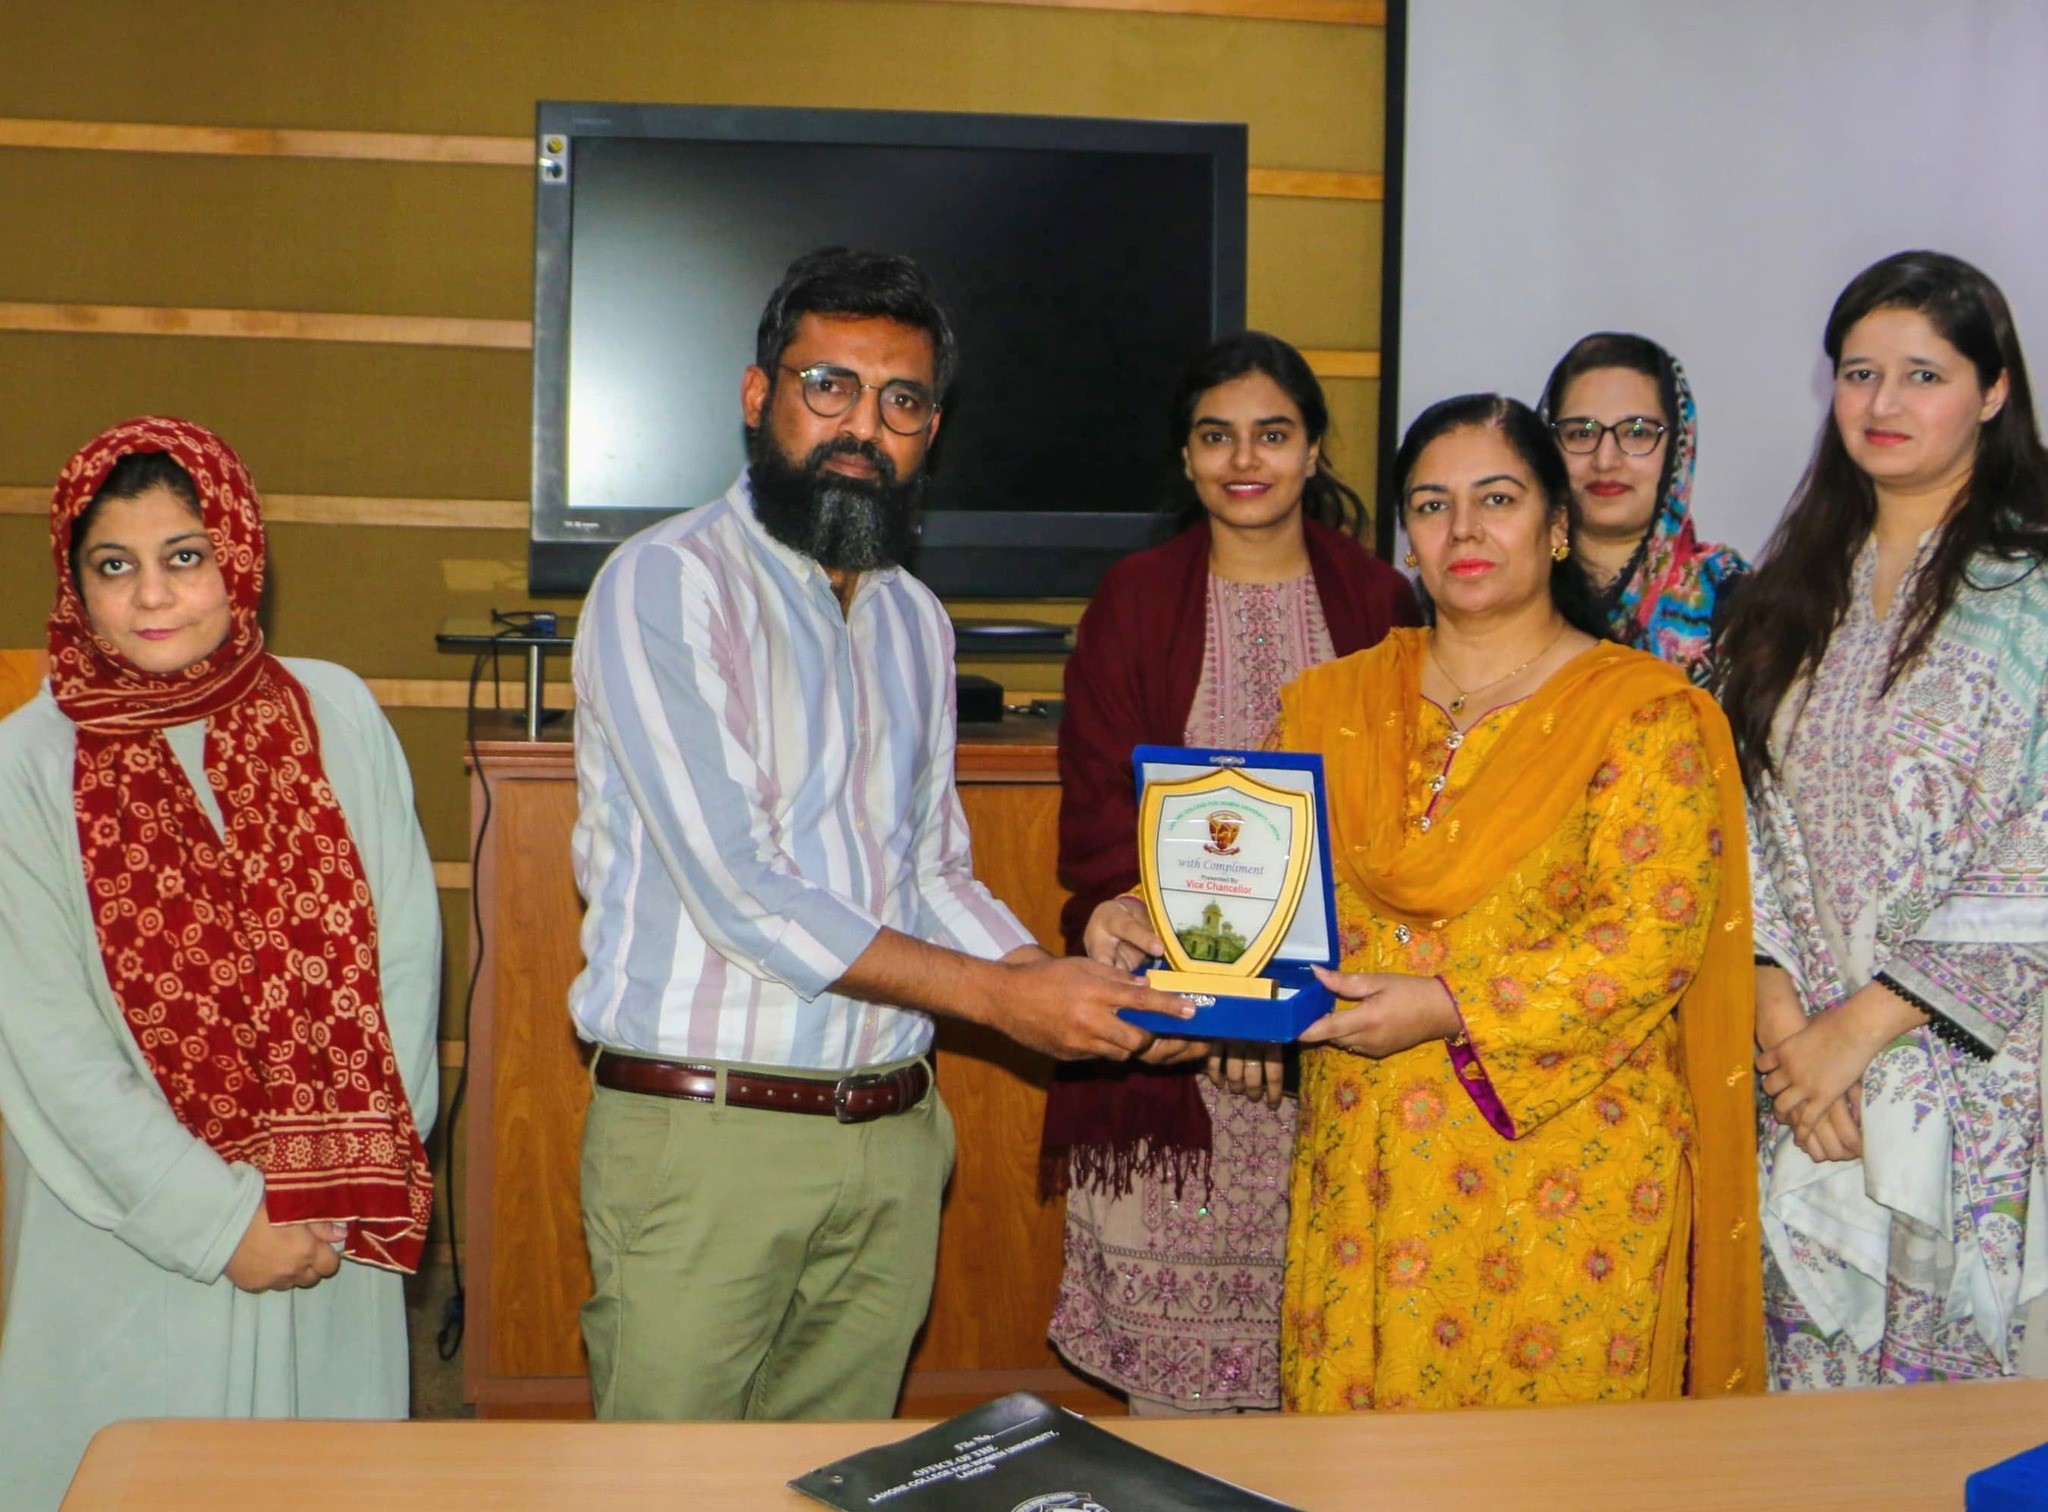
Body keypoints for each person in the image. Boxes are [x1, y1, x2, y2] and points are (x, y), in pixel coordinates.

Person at [570, 246, 1192, 1423]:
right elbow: (742, 889)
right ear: (758, 396)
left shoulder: (915, 619)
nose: (862, 426)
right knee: (666, 1491)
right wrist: (1006, 1002)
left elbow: (929, 869)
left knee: (833, 1488)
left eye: (899, 401)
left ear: (930, 430)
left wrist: (1054, 982)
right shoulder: (667, 583)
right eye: (829, 387)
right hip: (707, 1140)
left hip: (892, 1141)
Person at [1088, 394, 1763, 1411]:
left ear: (1557, 524)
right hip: (1362, 1159)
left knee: (1542, 1468)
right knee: (1360, 1455)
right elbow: (1258, 872)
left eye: (1497, 499)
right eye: (1432, 505)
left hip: (1562, 1178)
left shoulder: (1642, 714)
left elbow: (1647, 942)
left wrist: (1448, 1004)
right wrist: (1145, 914)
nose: (1463, 530)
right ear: (1407, 537)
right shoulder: (1333, 704)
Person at [0, 418, 441, 1512]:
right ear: (75, 583)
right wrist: (221, 1223)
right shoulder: (26, 763)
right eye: (114, 566)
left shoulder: (334, 712)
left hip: (330, 1225)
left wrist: (344, 1180)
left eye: (184, 556)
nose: (152, 596)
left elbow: (405, 959)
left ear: (238, 555)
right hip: (132, 1234)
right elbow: (51, 1043)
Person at [1040, 332, 1419, 1415]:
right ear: (1185, 456)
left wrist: (1284, 1016)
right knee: (1180, 1425)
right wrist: (1223, 1011)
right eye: (1216, 437)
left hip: (1336, 1048)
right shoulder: (1134, 599)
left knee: (1332, 1391)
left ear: (1313, 450)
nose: (1243, 460)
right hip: (1174, 1050)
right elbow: (1100, 824)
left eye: (1271, 434)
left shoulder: (1381, 603)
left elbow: (1401, 830)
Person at [1719, 250, 2048, 1388]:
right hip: (1801, 1087)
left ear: (1992, 392)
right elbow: (1736, 813)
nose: (1883, 402)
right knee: (1810, 1430)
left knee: (1958, 1433)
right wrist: (1780, 1022)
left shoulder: (2033, 593)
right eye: (1859, 374)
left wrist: (1859, 1029)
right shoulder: (1786, 595)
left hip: (1975, 1074)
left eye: (1923, 374)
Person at [1539, 333, 1748, 683]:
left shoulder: (1729, 595)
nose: (1605, 460)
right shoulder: (1510, 587)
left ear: (1679, 449)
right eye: (1581, 433)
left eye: (1637, 432)